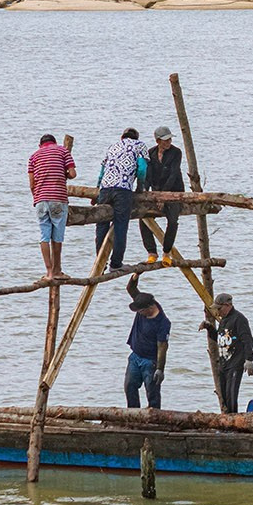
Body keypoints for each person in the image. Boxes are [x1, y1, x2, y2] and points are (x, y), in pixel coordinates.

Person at [96, 128, 148, 270]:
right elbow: (142, 169)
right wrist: (140, 186)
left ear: (122, 137)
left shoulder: (112, 147)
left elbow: (102, 171)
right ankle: (116, 263)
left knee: (101, 224)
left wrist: (98, 189)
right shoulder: (140, 145)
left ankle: (100, 263)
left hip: (105, 188)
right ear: (136, 137)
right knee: (120, 225)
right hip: (123, 189)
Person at [27, 134, 76, 278]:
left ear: (40, 145)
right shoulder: (63, 151)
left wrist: (36, 197)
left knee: (44, 236)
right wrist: (65, 173)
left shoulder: (33, 157)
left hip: (41, 200)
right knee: (57, 237)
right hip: (58, 198)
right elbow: (72, 173)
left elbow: (32, 183)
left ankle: (48, 271)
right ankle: (57, 270)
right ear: (54, 142)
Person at [199, 292, 253, 413]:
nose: (218, 312)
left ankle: (233, 422)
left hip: (235, 364)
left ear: (227, 305)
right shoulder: (224, 320)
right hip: (223, 364)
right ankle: (227, 420)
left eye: (219, 309)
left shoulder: (239, 319)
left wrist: (249, 360)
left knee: (231, 396)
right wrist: (209, 327)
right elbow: (220, 339)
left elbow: (248, 340)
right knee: (224, 396)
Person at [139, 126, 185, 264]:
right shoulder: (151, 153)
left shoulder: (176, 152)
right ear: (158, 141)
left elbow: (173, 174)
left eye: (170, 139)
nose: (169, 142)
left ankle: (167, 251)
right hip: (156, 192)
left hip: (174, 191)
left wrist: (164, 196)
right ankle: (151, 252)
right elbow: (148, 175)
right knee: (143, 218)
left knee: (172, 220)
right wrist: (144, 191)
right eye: (166, 140)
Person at [125, 278, 170, 409]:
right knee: (129, 386)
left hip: (150, 361)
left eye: (141, 311)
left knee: (152, 392)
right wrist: (136, 275)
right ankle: (133, 414)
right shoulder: (142, 301)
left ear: (150, 308)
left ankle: (154, 417)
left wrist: (160, 369)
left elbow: (162, 347)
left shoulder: (163, 323)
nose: (139, 313)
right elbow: (130, 289)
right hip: (135, 356)